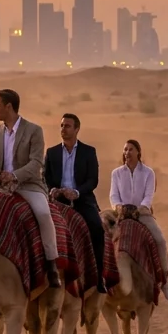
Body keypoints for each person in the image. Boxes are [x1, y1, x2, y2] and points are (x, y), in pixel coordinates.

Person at [0, 89, 62, 287]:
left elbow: (36, 163)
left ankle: (51, 264)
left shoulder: (34, 130)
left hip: (28, 186)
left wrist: (14, 175)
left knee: (43, 214)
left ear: (9, 107)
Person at [45, 113, 107, 294]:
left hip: (82, 199)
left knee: (97, 228)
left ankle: (99, 277)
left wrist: (76, 192)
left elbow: (93, 180)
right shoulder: (52, 152)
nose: (63, 129)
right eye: (61, 125)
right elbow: (45, 178)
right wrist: (53, 189)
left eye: (67, 126)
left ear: (77, 129)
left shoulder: (89, 151)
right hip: (57, 200)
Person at [109, 139, 168, 301]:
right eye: (125, 149)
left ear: (138, 152)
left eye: (131, 149)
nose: (127, 153)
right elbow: (113, 195)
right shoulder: (116, 173)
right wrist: (119, 207)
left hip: (142, 213)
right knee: (103, 236)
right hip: (121, 214)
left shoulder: (148, 173)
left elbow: (149, 195)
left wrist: (140, 209)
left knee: (160, 240)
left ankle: (164, 281)